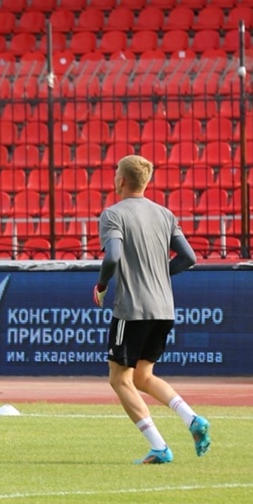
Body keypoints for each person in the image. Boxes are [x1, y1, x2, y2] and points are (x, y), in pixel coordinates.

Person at [94, 154, 208, 464]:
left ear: (121, 180)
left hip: (132, 308)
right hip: (164, 308)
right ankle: (192, 419)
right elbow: (189, 258)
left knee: (119, 379)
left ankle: (159, 447)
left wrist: (102, 285)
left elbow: (112, 257)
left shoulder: (113, 214)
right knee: (143, 376)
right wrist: (159, 273)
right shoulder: (164, 213)